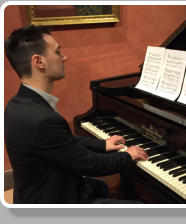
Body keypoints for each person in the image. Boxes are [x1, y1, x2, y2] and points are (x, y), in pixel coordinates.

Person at [4, 25, 148, 204]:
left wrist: (102, 144)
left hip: (33, 192)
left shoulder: (17, 104)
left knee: (101, 187)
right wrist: (128, 156)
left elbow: (62, 142)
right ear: (39, 62)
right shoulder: (42, 119)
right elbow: (89, 164)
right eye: (58, 52)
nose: (65, 57)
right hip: (53, 203)